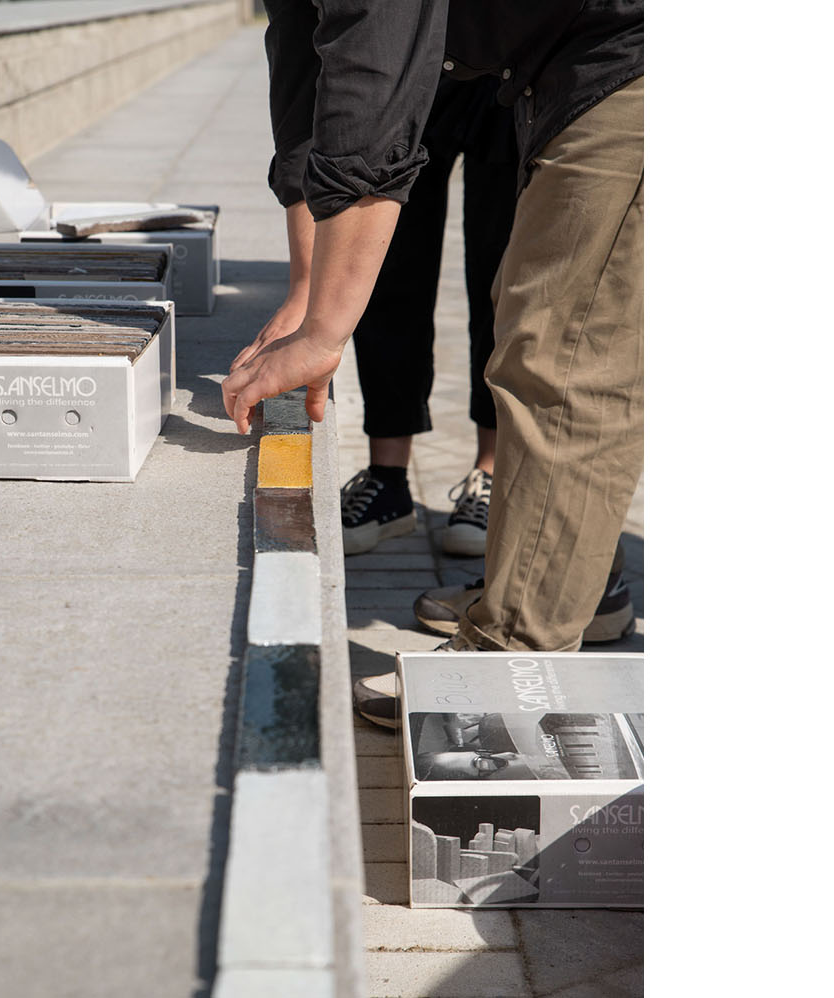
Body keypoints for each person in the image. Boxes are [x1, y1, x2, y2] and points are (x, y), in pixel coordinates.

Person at [224, 0, 643, 726]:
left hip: (629, 47)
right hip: (563, 50)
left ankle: (508, 666)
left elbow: (374, 70)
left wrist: (323, 333)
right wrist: (309, 289)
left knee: (562, 346)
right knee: (552, 321)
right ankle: (573, 586)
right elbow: (305, 79)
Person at [329, 74, 517, 559]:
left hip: (514, 56)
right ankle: (388, 478)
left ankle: (491, 474)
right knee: (390, 264)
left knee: (502, 274)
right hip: (418, 60)